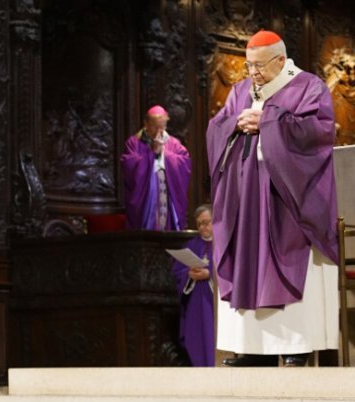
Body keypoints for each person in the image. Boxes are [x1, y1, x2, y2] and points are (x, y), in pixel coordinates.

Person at [207, 30, 340, 367]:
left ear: (281, 60)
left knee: (290, 263)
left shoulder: (310, 88)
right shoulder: (240, 91)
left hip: (289, 200)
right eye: (249, 66)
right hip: (246, 198)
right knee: (246, 263)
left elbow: (319, 133)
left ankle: (296, 346)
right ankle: (252, 350)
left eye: (260, 66)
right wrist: (235, 125)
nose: (253, 73)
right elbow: (216, 128)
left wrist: (268, 121)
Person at [120, 105, 192, 231]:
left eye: (162, 126)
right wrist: (152, 153)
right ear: (146, 123)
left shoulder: (173, 143)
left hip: (168, 197)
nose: (159, 131)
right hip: (146, 198)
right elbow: (128, 164)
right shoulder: (134, 142)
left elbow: (185, 162)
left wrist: (164, 155)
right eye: (155, 126)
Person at [172, 205, 215, 367]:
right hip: (196, 303)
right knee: (196, 337)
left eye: (206, 222)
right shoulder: (191, 245)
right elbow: (177, 273)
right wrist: (188, 274)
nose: (202, 227)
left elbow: (232, 269)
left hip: (214, 303)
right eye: (199, 224)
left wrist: (210, 274)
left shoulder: (224, 244)